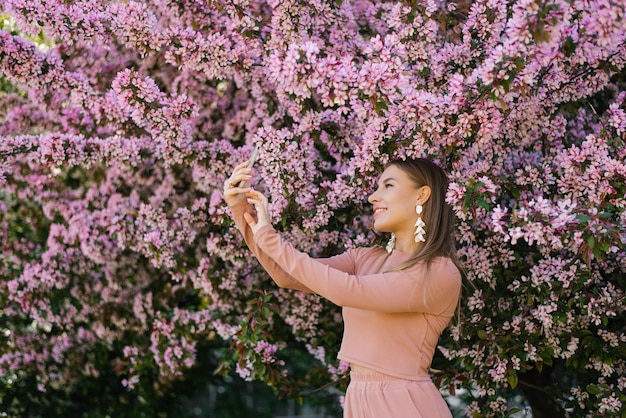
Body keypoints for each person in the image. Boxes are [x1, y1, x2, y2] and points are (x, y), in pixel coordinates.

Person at [223, 157, 462, 418]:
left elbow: (348, 290)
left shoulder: (437, 272)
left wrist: (269, 236)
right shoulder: (366, 258)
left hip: (404, 403)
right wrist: (242, 208)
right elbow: (286, 274)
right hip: (358, 398)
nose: (373, 197)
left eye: (388, 186)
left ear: (422, 195)